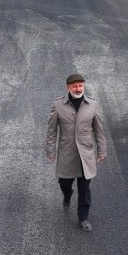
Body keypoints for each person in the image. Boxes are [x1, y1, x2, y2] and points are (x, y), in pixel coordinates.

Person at [45, 74, 107, 232]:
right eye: (75, 86)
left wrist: (102, 150)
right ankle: (67, 194)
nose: (78, 89)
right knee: (64, 183)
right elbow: (51, 131)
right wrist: (51, 150)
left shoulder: (92, 104)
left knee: (85, 188)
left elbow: (98, 130)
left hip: (86, 154)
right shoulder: (58, 105)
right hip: (67, 152)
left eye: (81, 86)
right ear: (68, 87)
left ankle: (83, 218)